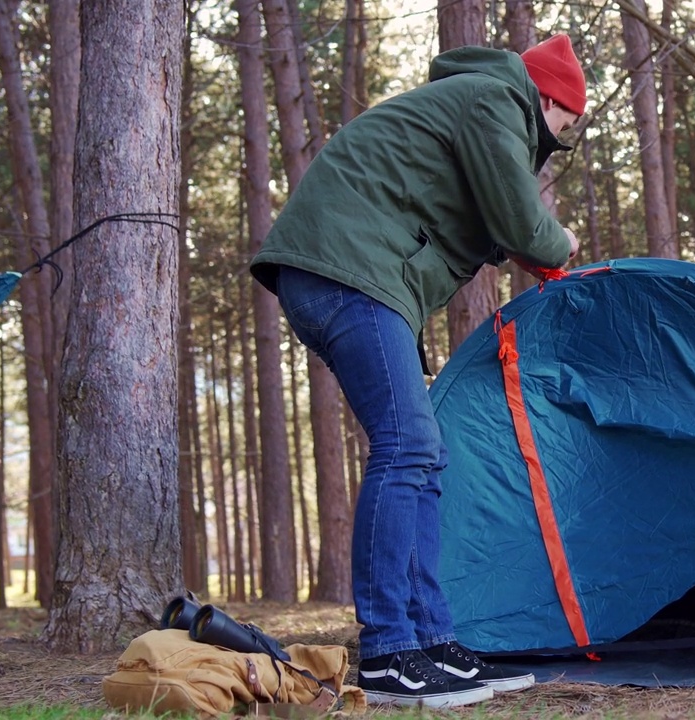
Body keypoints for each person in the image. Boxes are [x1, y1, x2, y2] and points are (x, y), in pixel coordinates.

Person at [249, 35, 587, 708]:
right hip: (346, 274)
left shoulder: (478, 105)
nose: (560, 141)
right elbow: (524, 225)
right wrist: (562, 243)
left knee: (424, 458)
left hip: (352, 277)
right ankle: (387, 650)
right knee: (408, 448)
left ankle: (430, 640)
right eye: (566, 127)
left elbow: (486, 224)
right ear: (548, 99)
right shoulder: (495, 98)